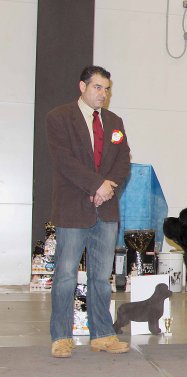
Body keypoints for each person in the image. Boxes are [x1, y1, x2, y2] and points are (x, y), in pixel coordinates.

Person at [46, 65, 131, 358]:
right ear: (82, 86)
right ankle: (61, 336)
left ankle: (103, 334)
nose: (103, 94)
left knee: (100, 277)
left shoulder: (114, 122)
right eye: (97, 87)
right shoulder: (58, 118)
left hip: (106, 211)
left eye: (107, 89)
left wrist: (108, 187)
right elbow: (64, 161)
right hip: (73, 208)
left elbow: (123, 161)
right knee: (66, 274)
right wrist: (96, 186)